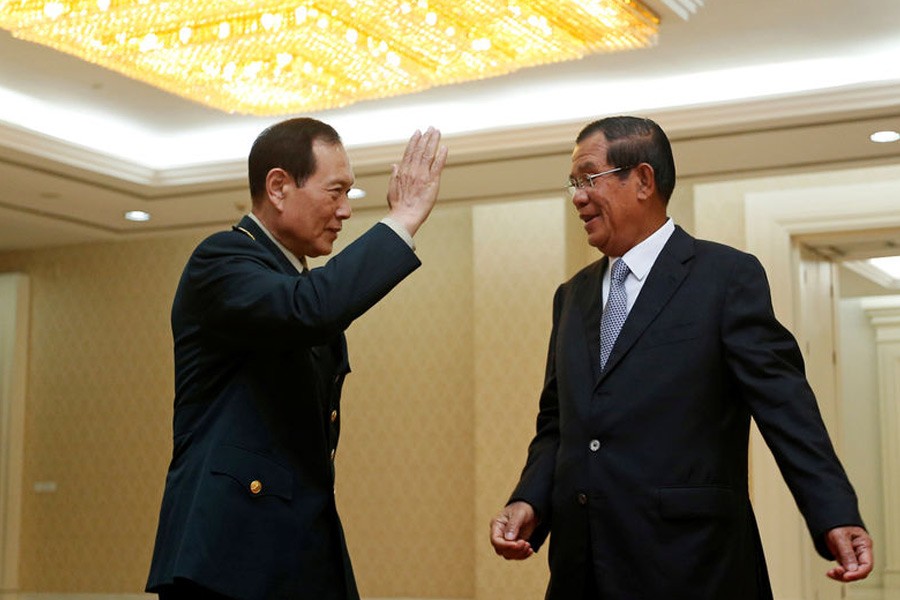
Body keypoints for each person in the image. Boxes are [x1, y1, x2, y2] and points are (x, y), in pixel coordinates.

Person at [489, 116, 873, 599]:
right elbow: (558, 424)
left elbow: (786, 408)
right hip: (582, 568)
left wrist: (834, 512)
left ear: (643, 180)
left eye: (589, 178)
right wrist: (529, 500)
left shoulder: (726, 277)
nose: (578, 197)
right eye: (573, 184)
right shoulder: (571, 296)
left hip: (694, 565)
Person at [146, 117, 448, 600]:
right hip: (227, 559)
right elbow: (310, 309)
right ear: (279, 187)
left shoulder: (294, 281)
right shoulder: (220, 260)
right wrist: (403, 219)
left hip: (297, 552)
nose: (346, 211)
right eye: (336, 192)